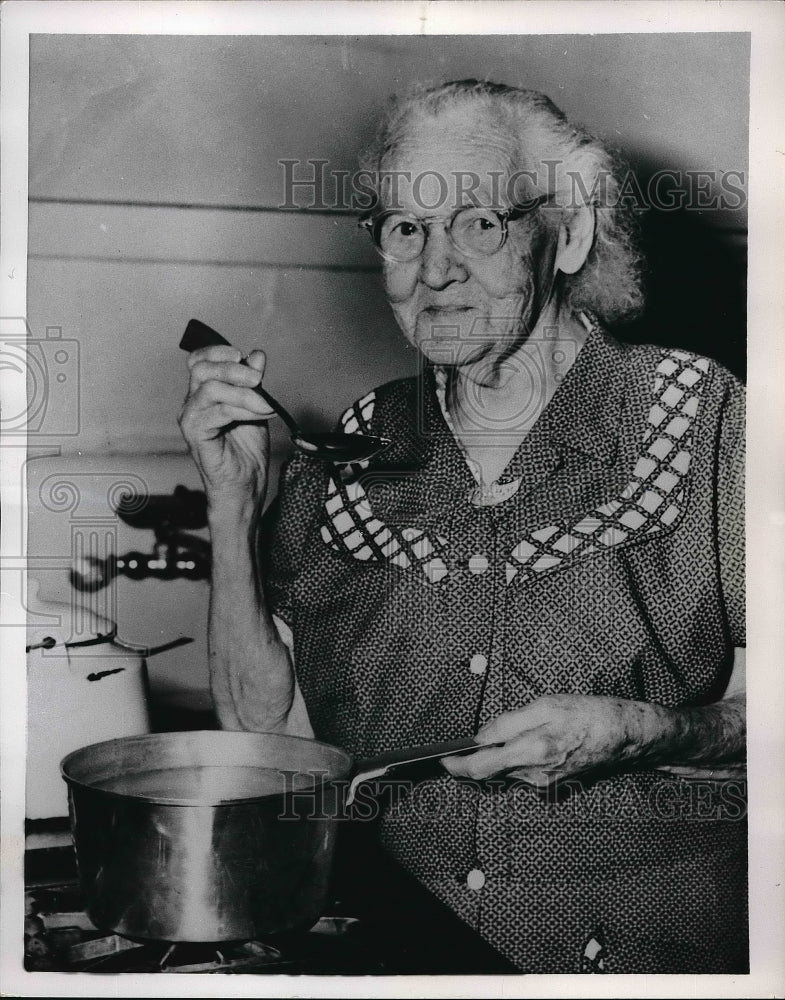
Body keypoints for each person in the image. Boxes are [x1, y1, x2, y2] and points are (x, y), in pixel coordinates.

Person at [178, 80, 746, 973]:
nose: (434, 268)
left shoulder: (706, 417)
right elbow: (274, 735)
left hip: (636, 954)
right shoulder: (365, 434)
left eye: (479, 222)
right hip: (394, 937)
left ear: (570, 235)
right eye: (405, 228)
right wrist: (232, 505)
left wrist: (643, 731)